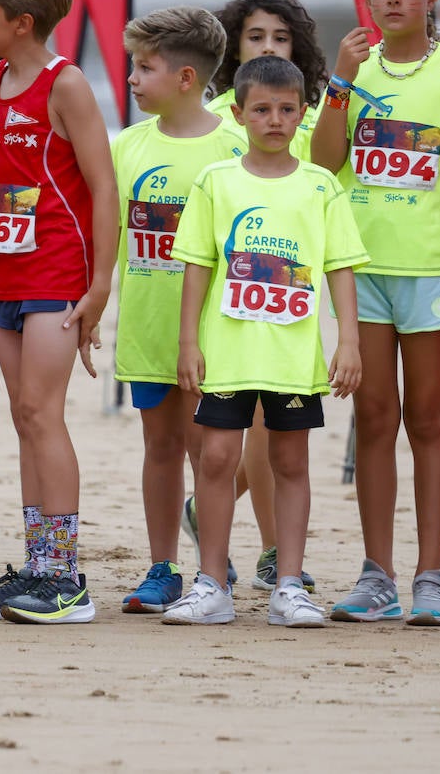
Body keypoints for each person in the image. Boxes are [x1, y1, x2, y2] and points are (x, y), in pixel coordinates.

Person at [309, 0, 440, 627]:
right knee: (373, 418)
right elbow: (325, 163)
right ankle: (377, 575)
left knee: (426, 418)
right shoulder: (355, 72)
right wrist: (339, 79)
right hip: (362, 270)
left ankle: (430, 577)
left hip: (431, 271)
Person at [164, 55, 366, 627]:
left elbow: (341, 269)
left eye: (285, 109)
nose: (274, 120)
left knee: (289, 462)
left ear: (303, 114)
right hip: (226, 354)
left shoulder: (321, 186)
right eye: (261, 109)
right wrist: (187, 343)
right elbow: (198, 267)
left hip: (293, 360)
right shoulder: (216, 182)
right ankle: (210, 584)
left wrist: (348, 341)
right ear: (239, 113)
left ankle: (290, 587)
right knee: (218, 459)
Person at [0, 0, 118, 624]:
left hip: (56, 276)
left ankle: (66, 579)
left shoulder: (66, 84)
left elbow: (103, 185)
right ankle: (37, 567)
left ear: (22, 23)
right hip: (4, 272)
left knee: (43, 414)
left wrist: (100, 285)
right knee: (23, 416)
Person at [185, 0, 330, 593]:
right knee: (227, 445)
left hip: (297, 291)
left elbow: (325, 177)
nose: (268, 47)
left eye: (280, 38)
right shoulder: (216, 117)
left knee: (280, 445)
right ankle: (234, 558)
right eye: (255, 37)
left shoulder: (312, 113)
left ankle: (278, 556)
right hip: (223, 296)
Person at [111, 5, 244, 613]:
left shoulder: (235, 146)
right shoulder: (128, 146)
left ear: (187, 78)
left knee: (208, 452)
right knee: (160, 447)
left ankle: (212, 572)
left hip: (215, 337)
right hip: (147, 330)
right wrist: (91, 304)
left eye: (144, 68)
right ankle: (162, 567)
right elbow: (109, 235)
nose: (132, 79)